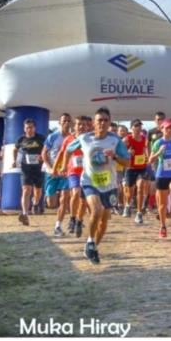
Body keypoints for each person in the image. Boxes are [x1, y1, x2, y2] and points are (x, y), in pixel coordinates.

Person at [62, 107, 130, 264]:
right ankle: (91, 241)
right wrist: (65, 167)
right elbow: (68, 150)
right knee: (96, 210)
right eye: (100, 120)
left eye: (106, 120)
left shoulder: (115, 140)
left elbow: (127, 161)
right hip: (89, 181)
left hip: (108, 183)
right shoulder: (85, 138)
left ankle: (91, 246)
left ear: (109, 122)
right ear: (94, 123)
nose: (103, 123)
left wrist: (115, 156)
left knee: (104, 221)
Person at [54, 116, 89, 237]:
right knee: (76, 193)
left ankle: (79, 220)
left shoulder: (90, 139)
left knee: (84, 200)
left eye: (84, 124)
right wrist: (60, 167)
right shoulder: (69, 139)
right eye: (79, 124)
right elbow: (63, 153)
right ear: (75, 126)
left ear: (87, 126)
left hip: (88, 173)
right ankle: (73, 218)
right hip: (73, 171)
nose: (81, 126)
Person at [149, 119, 171, 238]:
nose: (169, 130)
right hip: (162, 175)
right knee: (162, 204)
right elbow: (150, 160)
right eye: (167, 128)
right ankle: (163, 226)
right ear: (162, 129)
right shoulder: (157, 143)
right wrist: (159, 152)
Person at [41, 113, 72, 236]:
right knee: (51, 203)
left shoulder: (72, 138)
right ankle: (49, 196)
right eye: (64, 121)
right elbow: (44, 153)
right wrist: (50, 168)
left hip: (65, 172)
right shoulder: (52, 136)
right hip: (51, 172)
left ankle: (58, 225)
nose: (66, 123)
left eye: (68, 121)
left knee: (64, 199)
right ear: (59, 123)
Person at [12, 119, 47, 224]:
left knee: (38, 191)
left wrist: (43, 156)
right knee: (26, 190)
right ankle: (25, 214)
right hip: (25, 168)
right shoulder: (21, 139)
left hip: (38, 168)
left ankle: (35, 203)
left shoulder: (41, 138)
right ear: (24, 128)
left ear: (34, 128)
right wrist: (15, 161)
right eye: (27, 127)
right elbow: (15, 149)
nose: (29, 129)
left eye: (31, 127)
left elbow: (47, 150)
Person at [123, 119, 149, 224]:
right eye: (136, 126)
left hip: (141, 167)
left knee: (141, 187)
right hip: (131, 168)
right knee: (130, 192)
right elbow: (118, 151)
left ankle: (139, 213)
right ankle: (127, 205)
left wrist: (147, 157)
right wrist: (127, 152)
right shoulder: (127, 139)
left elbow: (145, 149)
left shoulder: (144, 138)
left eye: (140, 126)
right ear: (132, 128)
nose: (138, 128)